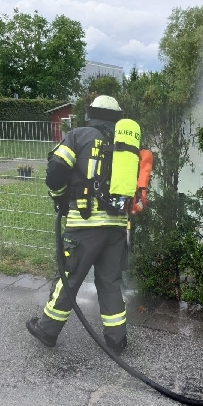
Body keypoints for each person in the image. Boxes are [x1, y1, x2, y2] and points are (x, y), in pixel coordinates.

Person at [26, 95, 148, 356]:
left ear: (91, 114)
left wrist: (59, 199)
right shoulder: (125, 143)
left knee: (69, 277)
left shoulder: (78, 136)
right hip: (118, 224)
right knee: (110, 282)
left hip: (85, 223)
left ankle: (47, 330)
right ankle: (116, 340)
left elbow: (56, 170)